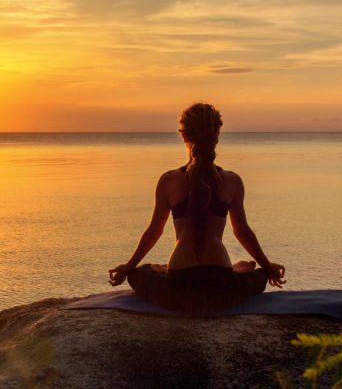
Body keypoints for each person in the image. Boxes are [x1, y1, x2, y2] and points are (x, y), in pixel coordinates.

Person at [108, 102, 285, 313]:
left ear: (183, 135)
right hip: (222, 286)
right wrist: (268, 267)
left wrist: (128, 267)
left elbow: (154, 231)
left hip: (178, 287)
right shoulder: (232, 181)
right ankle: (238, 270)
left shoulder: (169, 181)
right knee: (260, 275)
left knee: (140, 273)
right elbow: (242, 232)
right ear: (216, 135)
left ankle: (166, 269)